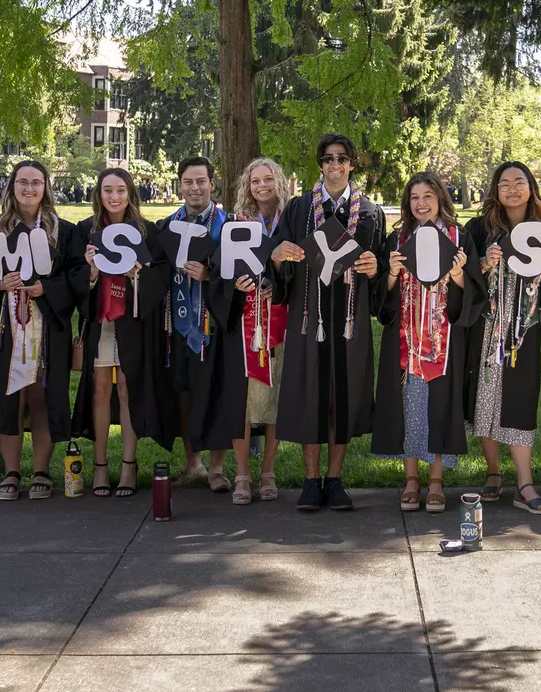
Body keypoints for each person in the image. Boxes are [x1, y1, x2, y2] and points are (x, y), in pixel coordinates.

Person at [271, 133, 386, 512]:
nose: (334, 165)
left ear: (352, 163)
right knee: (310, 393)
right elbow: (276, 258)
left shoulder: (370, 212)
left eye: (342, 158)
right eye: (328, 158)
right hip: (309, 317)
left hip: (349, 320)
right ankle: (309, 481)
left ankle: (335, 480)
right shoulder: (298, 208)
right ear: (319, 164)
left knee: (345, 395)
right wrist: (278, 255)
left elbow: (382, 264)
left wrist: (376, 267)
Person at [0, 160, 87, 500]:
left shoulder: (62, 231)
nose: (29, 188)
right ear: (12, 187)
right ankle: (10, 471)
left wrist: (46, 288)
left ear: (46, 187)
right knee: (10, 396)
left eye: (36, 182)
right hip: (4, 327)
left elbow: (76, 275)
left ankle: (40, 471)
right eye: (23, 182)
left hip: (46, 326)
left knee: (41, 395)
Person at [464, 162, 541, 515]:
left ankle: (524, 482)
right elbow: (461, 275)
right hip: (486, 327)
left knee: (520, 402)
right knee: (484, 400)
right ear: (495, 190)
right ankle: (494, 471)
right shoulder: (477, 229)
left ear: (530, 188)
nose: (512, 188)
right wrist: (482, 264)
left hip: (525, 331)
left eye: (519, 182)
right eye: (504, 183)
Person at [374, 172, 476, 513]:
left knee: (440, 408)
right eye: (415, 197)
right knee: (409, 406)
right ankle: (411, 480)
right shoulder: (397, 239)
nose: (421, 203)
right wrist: (390, 272)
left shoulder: (460, 238)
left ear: (440, 199)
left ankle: (435, 481)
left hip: (444, 342)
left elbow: (475, 295)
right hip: (405, 342)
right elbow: (381, 302)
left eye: (428, 196)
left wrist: (460, 274)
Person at [71, 167, 172, 497]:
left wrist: (138, 275)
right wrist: (89, 272)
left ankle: (129, 465)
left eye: (120, 190)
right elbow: (73, 280)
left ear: (130, 193)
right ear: (98, 194)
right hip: (100, 321)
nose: (113, 197)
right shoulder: (86, 231)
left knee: (127, 389)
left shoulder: (146, 231)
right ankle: (100, 466)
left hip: (132, 321)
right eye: (107, 190)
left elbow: (161, 276)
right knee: (99, 389)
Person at [160, 156, 250, 493]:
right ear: (180, 185)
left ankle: (216, 467)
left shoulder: (229, 227)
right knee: (183, 392)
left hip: (218, 327)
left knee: (217, 392)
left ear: (213, 184)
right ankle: (192, 463)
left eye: (201, 181)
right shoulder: (167, 226)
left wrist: (210, 275)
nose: (195, 188)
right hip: (180, 327)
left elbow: (240, 277)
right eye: (188, 182)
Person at [232, 157, 294, 504]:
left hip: (280, 318)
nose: (261, 186)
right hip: (244, 323)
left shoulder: (291, 219)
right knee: (242, 402)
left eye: (268, 179)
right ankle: (242, 474)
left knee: (275, 396)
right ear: (247, 186)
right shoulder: (237, 221)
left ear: (278, 181)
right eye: (255, 181)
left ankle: (267, 471)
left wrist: (280, 281)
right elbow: (225, 267)